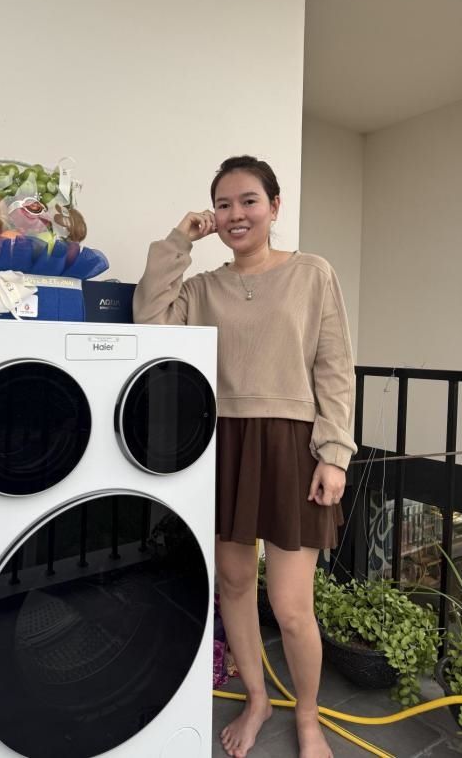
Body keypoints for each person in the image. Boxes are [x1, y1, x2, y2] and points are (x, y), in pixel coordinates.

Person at [133, 155, 357, 758]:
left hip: (292, 446)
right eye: (224, 204)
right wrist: (180, 241)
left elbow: (335, 367)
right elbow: (149, 318)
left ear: (274, 207)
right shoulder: (203, 288)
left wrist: (333, 453)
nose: (237, 214)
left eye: (249, 201)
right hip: (223, 441)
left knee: (289, 606)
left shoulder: (312, 273)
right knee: (232, 582)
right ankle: (258, 700)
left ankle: (308, 718)